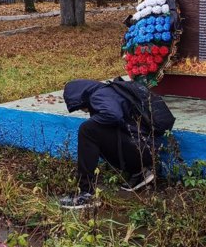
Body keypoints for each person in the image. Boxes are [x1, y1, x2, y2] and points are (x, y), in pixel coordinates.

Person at [59, 79, 175, 209]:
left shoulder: (99, 95)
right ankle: (140, 172)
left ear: (81, 97)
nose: (83, 110)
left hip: (142, 148)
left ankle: (86, 193)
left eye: (80, 107)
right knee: (95, 129)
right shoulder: (111, 91)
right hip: (146, 148)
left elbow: (113, 115)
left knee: (87, 130)